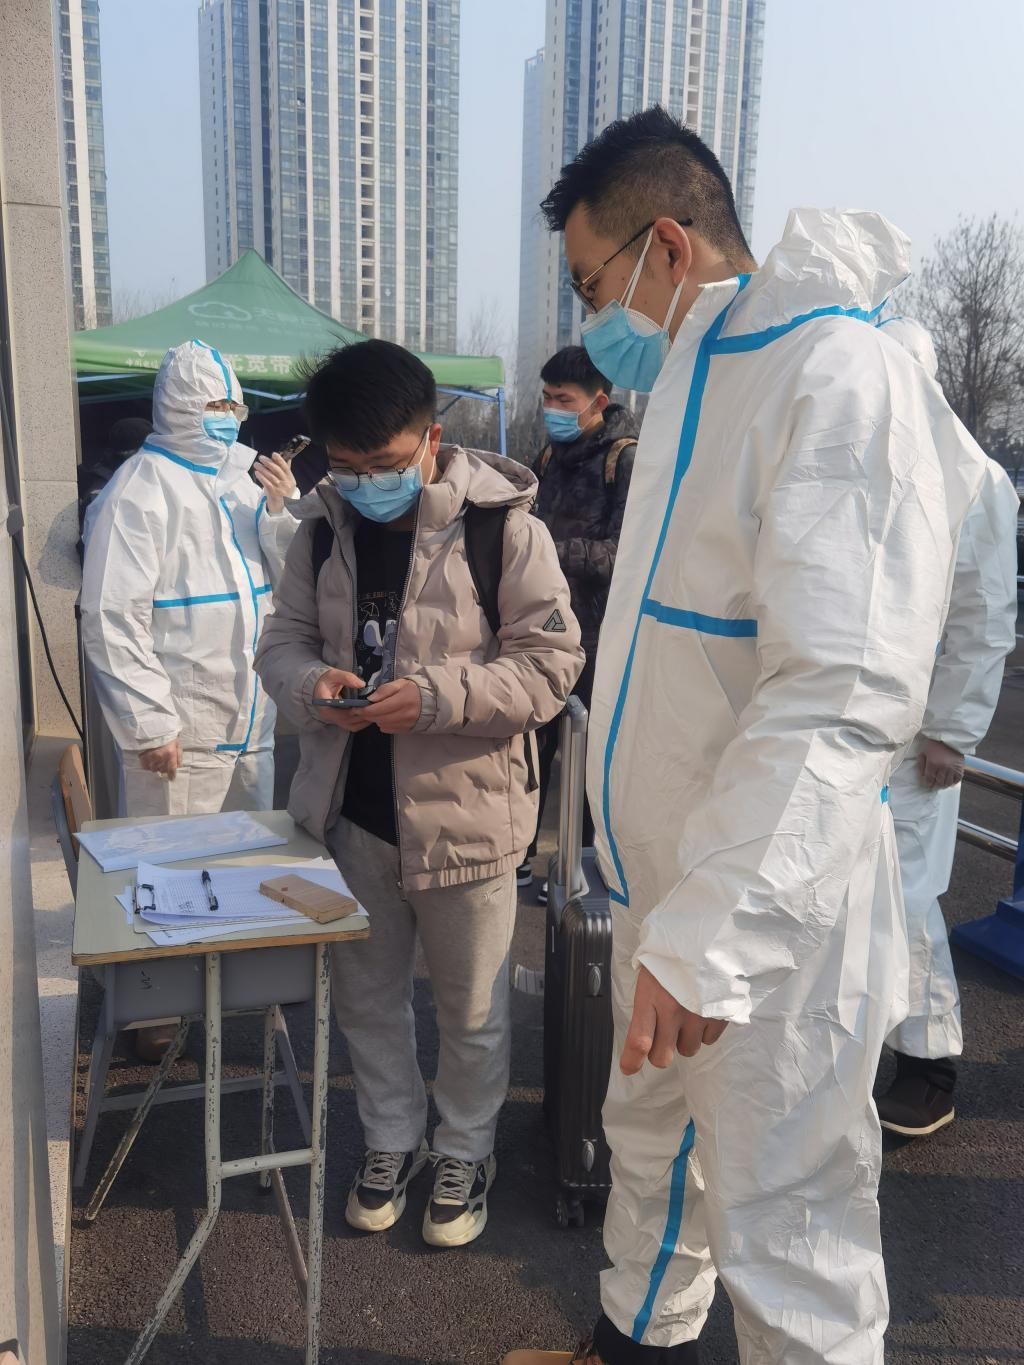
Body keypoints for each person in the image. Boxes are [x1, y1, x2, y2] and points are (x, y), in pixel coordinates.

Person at [503, 108, 986, 1365]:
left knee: (787, 1226)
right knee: (652, 1153)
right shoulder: (701, 376)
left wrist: (716, 937)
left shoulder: (836, 378)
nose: (592, 320)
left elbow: (839, 691)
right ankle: (634, 1347)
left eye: (592, 284)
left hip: (772, 918)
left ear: (667, 245)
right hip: (669, 887)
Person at [254, 340, 582, 1247]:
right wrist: (312, 682)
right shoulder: (321, 530)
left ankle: (465, 1149)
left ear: (431, 439)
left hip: (469, 818)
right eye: (347, 466)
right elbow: (279, 643)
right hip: (352, 815)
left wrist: (437, 697)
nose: (367, 483)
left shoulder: (504, 529)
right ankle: (391, 1139)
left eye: (386, 463)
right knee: (367, 998)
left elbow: (552, 666)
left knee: (471, 1009)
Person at [873, 316, 1020, 1137]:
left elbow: (984, 615)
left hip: (917, 737)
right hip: (865, 723)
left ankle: (930, 1068)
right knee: (860, 894)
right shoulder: (880, 460)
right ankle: (864, 1049)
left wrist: (954, 730)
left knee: (907, 899)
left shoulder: (974, 478)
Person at [81, 338, 298, 818]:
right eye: (215, 406)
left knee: (246, 854)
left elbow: (292, 581)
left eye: (234, 407)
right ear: (178, 406)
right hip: (181, 738)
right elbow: (111, 617)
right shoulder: (138, 492)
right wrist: (150, 725)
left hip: (251, 727)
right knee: (174, 858)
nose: (227, 417)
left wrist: (280, 510)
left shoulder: (240, 482)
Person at [517, 346, 638, 893]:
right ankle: (520, 856)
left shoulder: (625, 460)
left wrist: (546, 551)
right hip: (539, 630)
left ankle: (574, 868)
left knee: (586, 755)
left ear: (598, 402)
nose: (552, 409)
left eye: (563, 400)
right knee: (530, 746)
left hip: (598, 636)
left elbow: (625, 553)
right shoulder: (548, 456)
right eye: (546, 398)